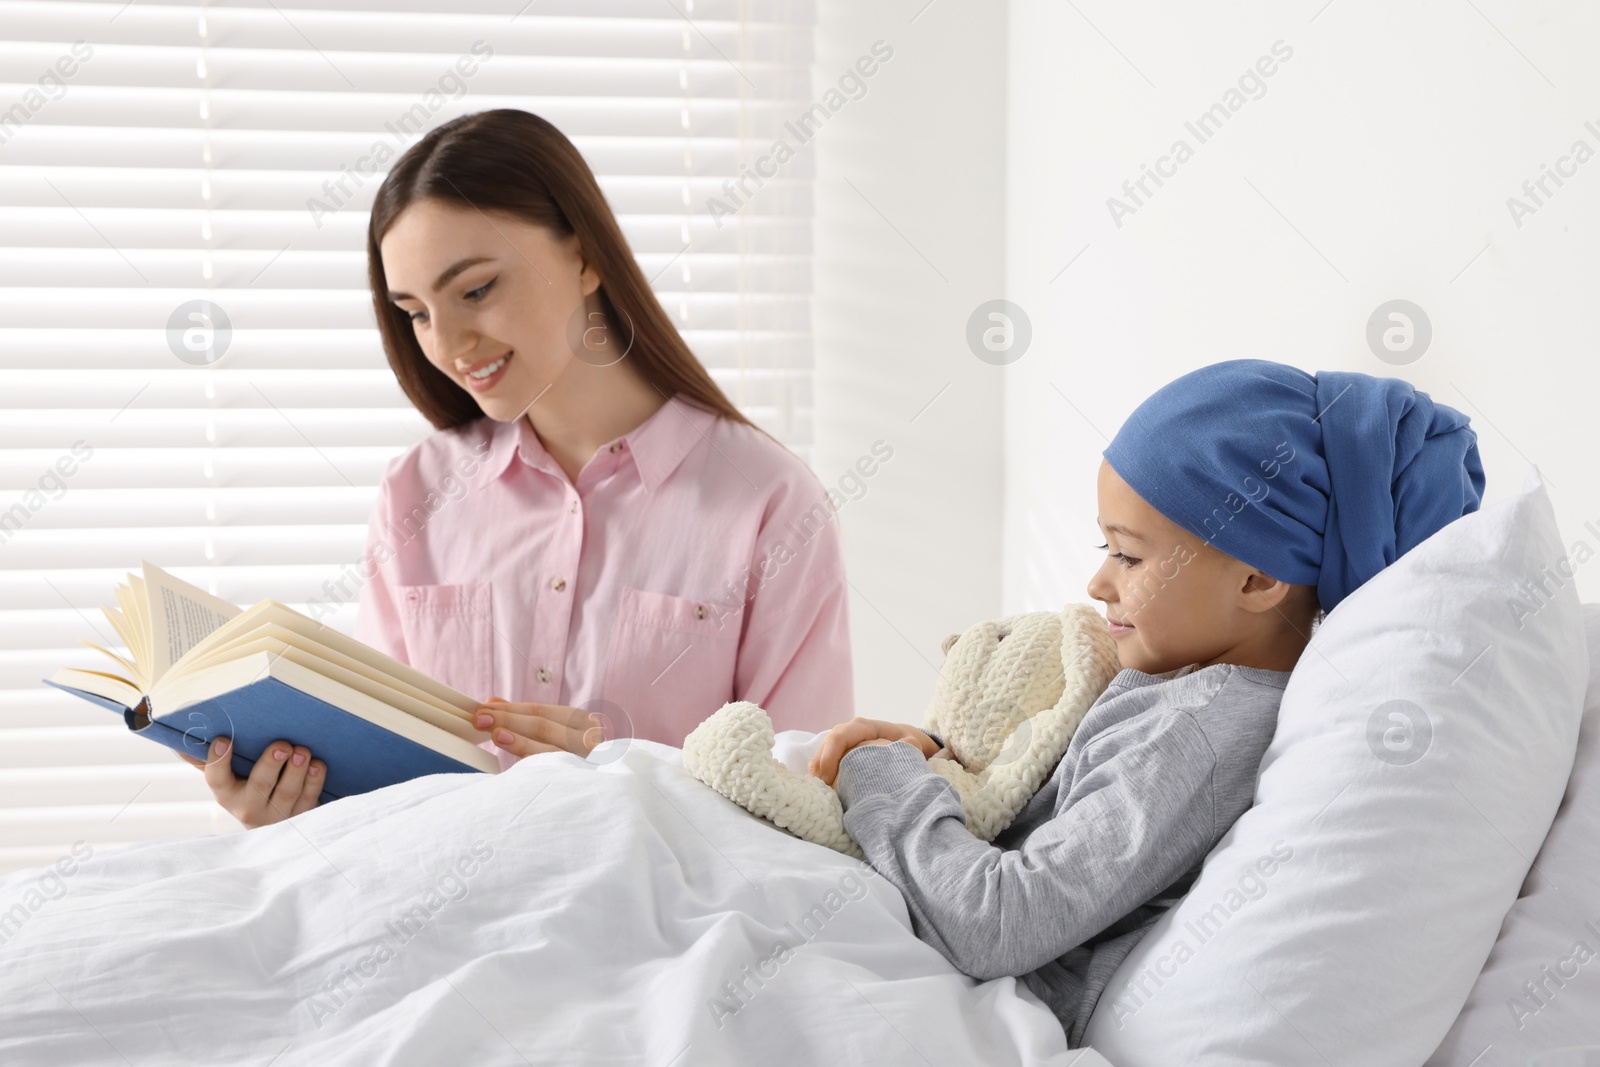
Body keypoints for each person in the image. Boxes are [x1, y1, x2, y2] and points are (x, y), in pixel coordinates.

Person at [183, 109, 854, 828]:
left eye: (474, 290)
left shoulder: (769, 503)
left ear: (586, 253)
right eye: (415, 312)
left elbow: (802, 809)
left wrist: (628, 774)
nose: (449, 344)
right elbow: (386, 784)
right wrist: (293, 810)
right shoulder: (417, 492)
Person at [806, 358, 1484, 1048]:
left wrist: (881, 775)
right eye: (1106, 545)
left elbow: (1000, 921)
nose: (1098, 581)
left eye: (1128, 556)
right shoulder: (1179, 682)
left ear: (1258, 577)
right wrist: (935, 759)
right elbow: (1039, 803)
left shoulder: (1197, 732)